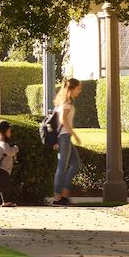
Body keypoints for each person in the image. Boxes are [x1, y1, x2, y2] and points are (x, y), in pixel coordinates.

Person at [50, 76, 83, 204]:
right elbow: (63, 120)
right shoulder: (66, 103)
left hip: (65, 137)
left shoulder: (65, 102)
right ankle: (58, 197)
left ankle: (64, 192)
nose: (79, 91)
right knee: (62, 167)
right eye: (78, 88)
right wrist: (74, 135)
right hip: (64, 137)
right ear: (72, 88)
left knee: (75, 164)